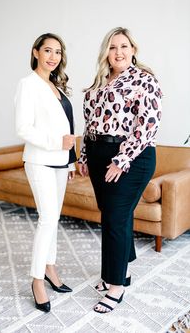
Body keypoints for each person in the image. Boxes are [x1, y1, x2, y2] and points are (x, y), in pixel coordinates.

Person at [78, 27, 162, 314]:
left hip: (132, 157)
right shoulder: (99, 82)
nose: (119, 52)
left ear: (133, 49)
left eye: (124, 46)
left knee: (114, 218)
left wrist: (121, 159)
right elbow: (90, 124)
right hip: (100, 154)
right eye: (113, 47)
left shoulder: (144, 81)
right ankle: (121, 270)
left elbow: (147, 126)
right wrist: (84, 156)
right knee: (113, 215)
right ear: (106, 52)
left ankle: (116, 286)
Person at [15, 33, 77, 313]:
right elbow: (23, 128)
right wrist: (56, 144)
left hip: (61, 163)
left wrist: (71, 161)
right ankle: (37, 279)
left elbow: (68, 127)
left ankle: (50, 268)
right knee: (47, 219)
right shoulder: (27, 85)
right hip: (40, 161)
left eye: (58, 52)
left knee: (54, 220)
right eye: (48, 50)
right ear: (36, 52)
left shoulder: (56, 86)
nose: (53, 57)